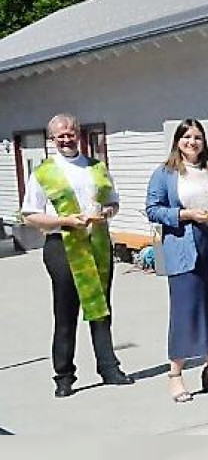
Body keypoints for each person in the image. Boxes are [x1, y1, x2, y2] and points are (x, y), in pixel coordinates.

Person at [22, 113, 134, 398]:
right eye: (60, 135)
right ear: (52, 139)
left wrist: (106, 213)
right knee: (66, 310)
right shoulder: (44, 172)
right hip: (62, 244)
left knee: (101, 307)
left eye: (70, 133)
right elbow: (31, 215)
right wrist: (64, 222)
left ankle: (109, 367)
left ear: (78, 134)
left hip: (96, 242)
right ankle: (64, 375)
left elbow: (113, 202)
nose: (66, 138)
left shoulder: (96, 167)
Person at [146, 119, 208, 403]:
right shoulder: (165, 173)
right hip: (185, 246)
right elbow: (152, 209)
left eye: (197, 137)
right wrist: (185, 215)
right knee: (187, 311)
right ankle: (175, 376)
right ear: (177, 141)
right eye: (186, 137)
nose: (192, 142)